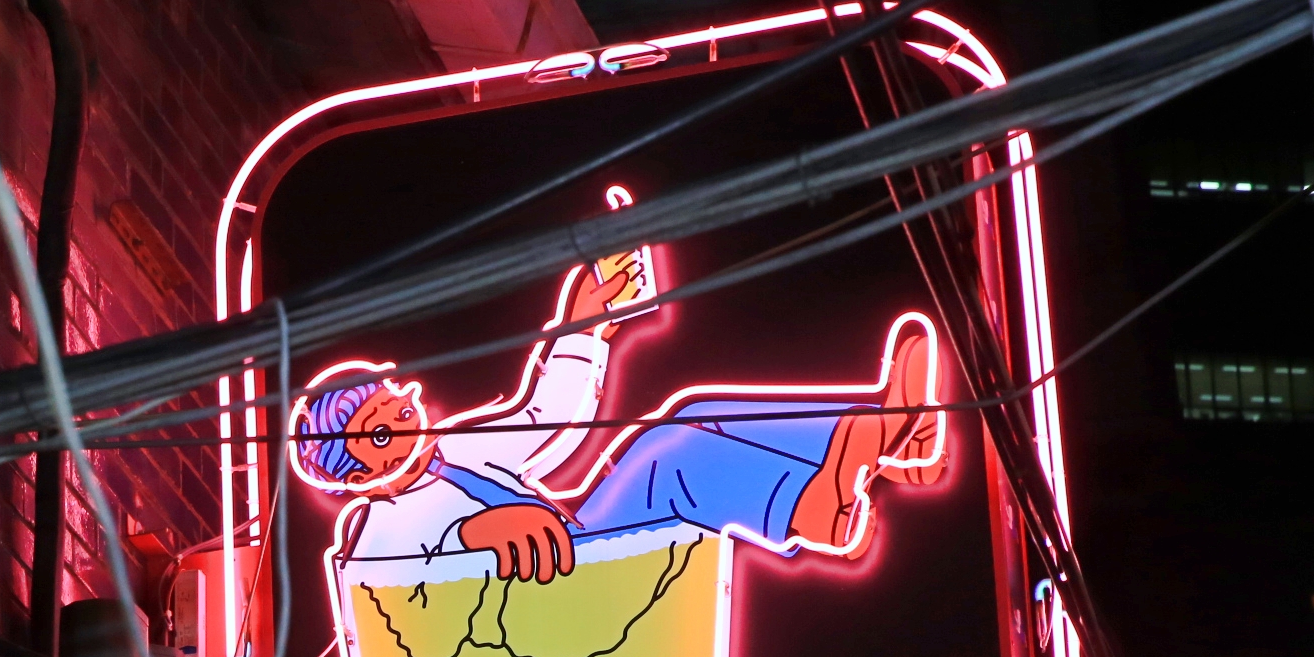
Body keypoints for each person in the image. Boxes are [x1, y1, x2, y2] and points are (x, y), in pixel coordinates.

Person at [296, 248, 945, 579]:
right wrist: (471, 541)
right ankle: (855, 459)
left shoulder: (460, 449)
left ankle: (883, 445)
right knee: (672, 455)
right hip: (558, 582)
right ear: (357, 476)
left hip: (574, 539)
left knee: (701, 412)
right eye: (380, 431)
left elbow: (548, 421)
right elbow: (381, 585)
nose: (405, 419)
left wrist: (583, 327)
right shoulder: (378, 529)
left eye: (396, 405)